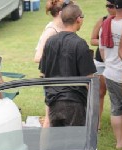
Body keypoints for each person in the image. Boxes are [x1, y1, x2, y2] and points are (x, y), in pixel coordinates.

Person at [39, 3, 97, 127]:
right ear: (78, 19)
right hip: (74, 102)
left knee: (56, 143)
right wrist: (94, 106)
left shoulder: (50, 42)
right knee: (74, 143)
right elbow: (89, 79)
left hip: (53, 101)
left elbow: (43, 74)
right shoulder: (80, 44)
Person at [34, 0, 70, 128]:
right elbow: (38, 57)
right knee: (50, 119)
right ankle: (44, 147)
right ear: (61, 13)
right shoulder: (51, 30)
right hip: (52, 80)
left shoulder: (60, 28)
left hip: (60, 80)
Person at [101, 0, 122, 150]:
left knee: (116, 108)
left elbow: (102, 50)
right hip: (121, 73)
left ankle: (119, 142)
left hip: (109, 71)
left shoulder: (106, 23)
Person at [90, 0, 117, 123]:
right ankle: (97, 122)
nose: (109, 9)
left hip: (117, 62)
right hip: (101, 61)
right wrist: (105, 42)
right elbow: (92, 40)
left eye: (111, 6)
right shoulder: (103, 20)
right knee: (100, 92)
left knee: (117, 94)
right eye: (107, 6)